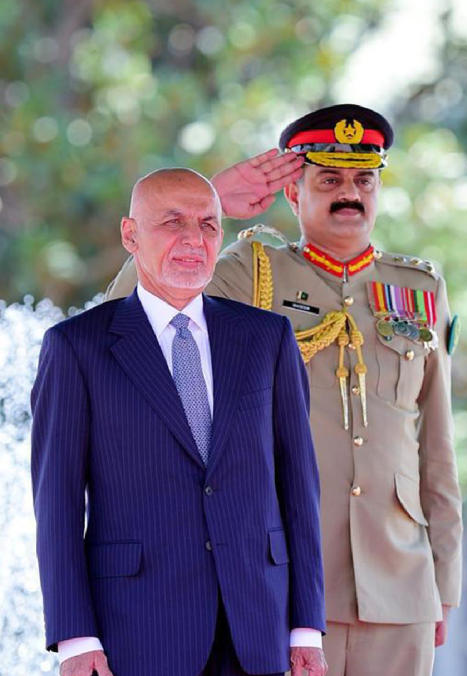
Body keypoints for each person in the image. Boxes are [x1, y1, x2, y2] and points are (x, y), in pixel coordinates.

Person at [106, 104, 462, 676]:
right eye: (329, 180)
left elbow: (437, 449)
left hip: (399, 583)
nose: (350, 194)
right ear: (293, 195)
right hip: (280, 581)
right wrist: (212, 205)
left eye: (363, 180)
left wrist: (445, 578)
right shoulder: (252, 273)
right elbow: (125, 323)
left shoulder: (417, 289)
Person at [32, 169, 327, 676]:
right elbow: (55, 505)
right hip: (136, 630)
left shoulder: (267, 339)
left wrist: (306, 628)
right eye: (173, 222)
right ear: (130, 235)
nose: (194, 240)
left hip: (258, 628)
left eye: (209, 226)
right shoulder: (76, 347)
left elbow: (299, 489)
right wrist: (76, 639)